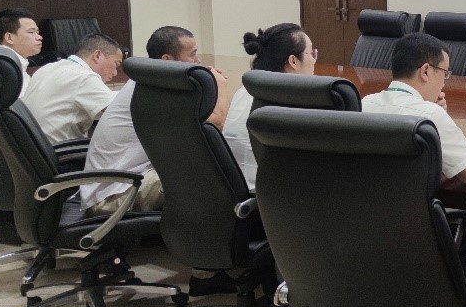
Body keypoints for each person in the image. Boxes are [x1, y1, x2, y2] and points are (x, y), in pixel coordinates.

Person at [80, 26, 230, 217]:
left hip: (119, 185)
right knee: (207, 171)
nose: (198, 61)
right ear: (167, 60)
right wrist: (220, 84)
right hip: (112, 197)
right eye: (192, 54)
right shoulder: (155, 90)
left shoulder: (147, 80)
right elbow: (214, 125)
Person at [363, 32, 466, 186]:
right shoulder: (431, 115)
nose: (444, 83)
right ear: (425, 71)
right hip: (411, 202)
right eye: (445, 73)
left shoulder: (364, 104)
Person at [222, 23, 317, 189]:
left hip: (234, 191)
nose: (314, 59)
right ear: (293, 61)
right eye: (311, 53)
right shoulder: (291, 101)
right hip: (269, 195)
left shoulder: (244, 90)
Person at [21, 33, 123, 145]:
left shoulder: (46, 68)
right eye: (116, 64)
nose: (115, 72)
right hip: (61, 151)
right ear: (97, 56)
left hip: (33, 148)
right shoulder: (83, 77)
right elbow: (121, 108)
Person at [0, 9, 43, 97]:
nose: (39, 37)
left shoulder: (9, 62)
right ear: (9, 38)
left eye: (37, 32)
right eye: (31, 32)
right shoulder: (5, 68)